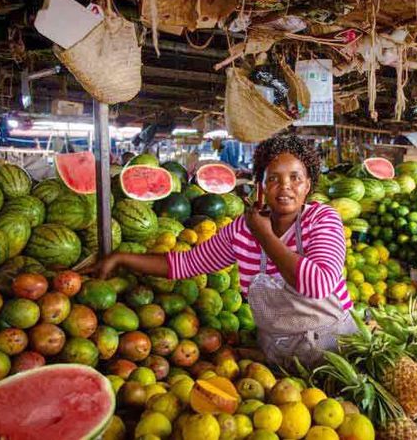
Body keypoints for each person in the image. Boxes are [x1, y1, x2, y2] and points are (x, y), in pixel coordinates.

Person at [92, 134, 356, 369]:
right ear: (260, 187)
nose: (285, 186)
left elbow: (317, 284)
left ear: (308, 185)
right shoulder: (242, 230)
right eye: (273, 178)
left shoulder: (323, 219)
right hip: (279, 357)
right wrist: (122, 257)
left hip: (335, 353)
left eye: (295, 178)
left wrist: (263, 234)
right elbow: (185, 264)